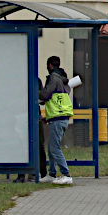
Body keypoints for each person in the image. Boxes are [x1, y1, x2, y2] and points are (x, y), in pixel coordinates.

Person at [39, 56, 74, 184]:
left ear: (49, 66)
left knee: (54, 148)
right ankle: (52, 174)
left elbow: (45, 94)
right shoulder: (63, 79)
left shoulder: (53, 78)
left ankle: (66, 174)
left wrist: (36, 92)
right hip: (60, 116)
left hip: (58, 117)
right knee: (51, 147)